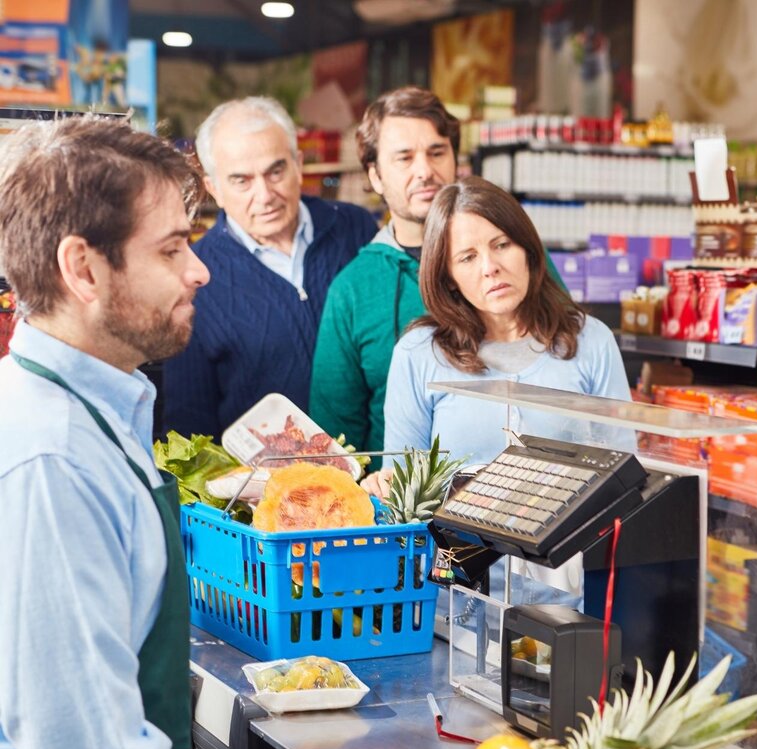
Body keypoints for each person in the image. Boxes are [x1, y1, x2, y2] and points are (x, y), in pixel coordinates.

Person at [0, 116, 268, 749]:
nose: (200, 271)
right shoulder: (49, 457)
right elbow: (78, 741)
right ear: (83, 269)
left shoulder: (94, 407)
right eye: (173, 248)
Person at [380, 176, 630, 469]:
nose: (490, 268)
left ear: (528, 250)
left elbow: (622, 469)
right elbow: (401, 483)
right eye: (468, 257)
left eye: (501, 245)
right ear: (447, 277)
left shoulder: (591, 340)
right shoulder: (418, 353)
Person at [163, 96, 377, 438]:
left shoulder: (358, 230)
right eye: (241, 181)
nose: (264, 195)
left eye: (275, 171)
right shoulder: (193, 279)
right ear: (213, 189)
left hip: (377, 473)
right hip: (264, 487)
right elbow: (190, 429)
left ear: (298, 164)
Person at [309, 87, 460, 467]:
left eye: (437, 152)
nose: (425, 170)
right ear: (375, 176)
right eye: (404, 158)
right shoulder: (353, 289)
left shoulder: (509, 255)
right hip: (397, 517)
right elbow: (335, 439)